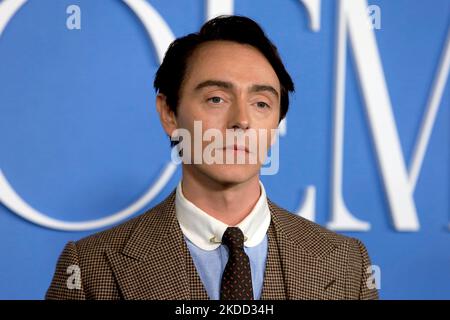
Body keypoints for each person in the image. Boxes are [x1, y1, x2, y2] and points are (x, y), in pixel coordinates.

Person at [46, 15, 378, 300]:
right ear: (169, 113)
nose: (241, 120)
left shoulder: (348, 263)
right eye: (217, 98)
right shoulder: (89, 268)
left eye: (261, 103)